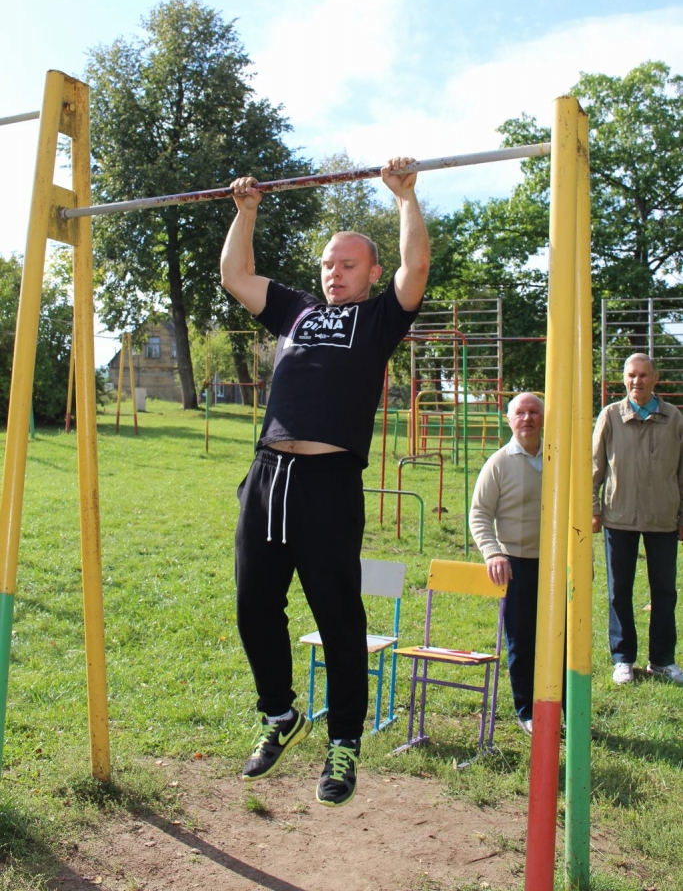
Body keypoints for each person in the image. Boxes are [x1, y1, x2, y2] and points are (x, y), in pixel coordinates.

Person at [220, 158, 429, 807]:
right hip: (269, 476)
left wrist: (404, 199)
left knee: (338, 618)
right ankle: (279, 714)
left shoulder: (378, 321)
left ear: (369, 272)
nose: (332, 272)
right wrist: (245, 211)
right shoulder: (294, 312)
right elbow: (234, 275)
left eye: (345, 264)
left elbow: (415, 268)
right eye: (326, 264)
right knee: (254, 605)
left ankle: (343, 744)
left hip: (330, 482)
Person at [592, 352, 683, 686]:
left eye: (643, 375)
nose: (637, 381)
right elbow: (594, 467)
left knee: (665, 592)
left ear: (655, 379)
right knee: (620, 592)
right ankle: (623, 659)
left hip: (663, 518)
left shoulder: (674, 419)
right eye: (631, 375)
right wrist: (593, 508)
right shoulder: (611, 416)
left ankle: (662, 660)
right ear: (623, 379)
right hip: (619, 517)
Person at [468, 393, 545, 734]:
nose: (527, 418)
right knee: (522, 638)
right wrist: (493, 552)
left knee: (560, 641)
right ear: (508, 419)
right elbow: (479, 514)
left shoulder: (558, 457)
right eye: (520, 413)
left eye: (534, 412)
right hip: (515, 563)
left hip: (556, 564)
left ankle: (563, 709)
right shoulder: (498, 463)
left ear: (543, 418)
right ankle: (527, 710)